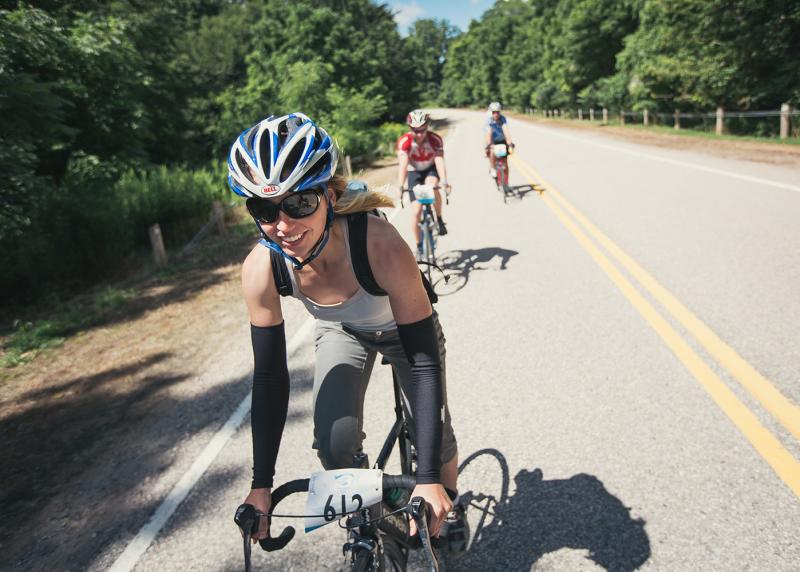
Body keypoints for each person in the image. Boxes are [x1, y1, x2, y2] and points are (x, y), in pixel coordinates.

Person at [228, 112, 465, 546]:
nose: (283, 225)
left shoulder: (379, 245)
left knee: (437, 438)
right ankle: (382, 519)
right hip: (344, 332)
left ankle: (449, 502)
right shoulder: (261, 267)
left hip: (406, 335)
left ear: (330, 197)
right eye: (264, 209)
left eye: (299, 203)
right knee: (334, 447)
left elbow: (424, 359)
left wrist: (430, 478)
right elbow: (269, 376)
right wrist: (261, 485)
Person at [396, 110, 452, 260]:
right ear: (410, 128)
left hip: (430, 169)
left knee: (432, 187)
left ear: (427, 127)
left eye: (422, 130)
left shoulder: (435, 139)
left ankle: (439, 219)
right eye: (415, 130)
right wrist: (400, 186)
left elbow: (440, 162)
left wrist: (445, 182)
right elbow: (403, 165)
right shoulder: (405, 142)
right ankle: (419, 246)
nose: (419, 134)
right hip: (414, 172)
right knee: (416, 212)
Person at [485, 102, 515, 178]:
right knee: (492, 151)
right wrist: (489, 144)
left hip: (501, 139)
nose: (496, 114)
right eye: (494, 112)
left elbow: (506, 130)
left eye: (497, 112)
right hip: (492, 140)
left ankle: (506, 184)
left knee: (505, 162)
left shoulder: (502, 119)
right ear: (491, 112)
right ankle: (492, 168)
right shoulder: (489, 119)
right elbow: (489, 132)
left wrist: (510, 142)